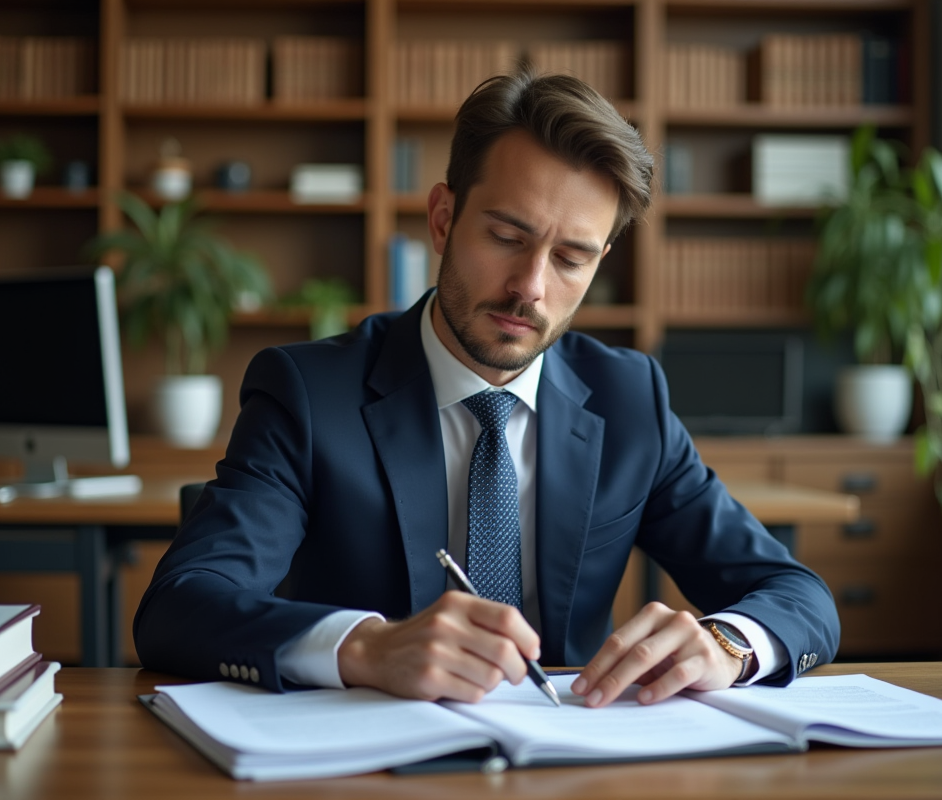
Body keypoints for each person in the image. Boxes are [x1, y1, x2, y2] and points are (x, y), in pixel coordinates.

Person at [134, 70, 839, 709]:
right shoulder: (309, 394)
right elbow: (181, 607)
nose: (531, 287)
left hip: (570, 759)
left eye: (570, 258)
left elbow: (800, 597)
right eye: (507, 235)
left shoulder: (628, 400)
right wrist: (367, 648)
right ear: (443, 220)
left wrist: (729, 646)